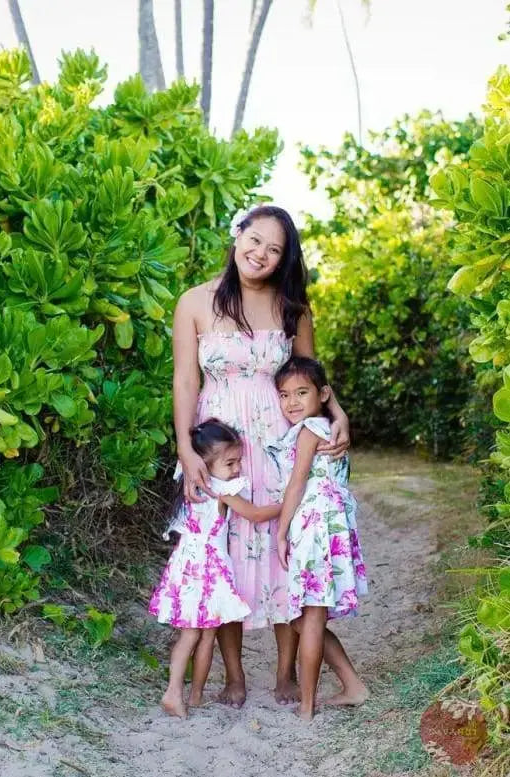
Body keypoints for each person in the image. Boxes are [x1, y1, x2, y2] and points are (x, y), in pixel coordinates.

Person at [172, 204, 350, 707]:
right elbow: (185, 380)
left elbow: (311, 375)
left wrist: (340, 416)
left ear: (282, 259)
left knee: (284, 549)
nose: (261, 255)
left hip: (280, 446)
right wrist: (186, 449)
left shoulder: (292, 306)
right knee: (223, 554)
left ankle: (286, 672)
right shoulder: (194, 303)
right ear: (238, 237)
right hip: (220, 445)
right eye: (256, 241)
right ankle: (233, 676)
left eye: (274, 250)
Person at [148, 419, 280, 719]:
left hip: (185, 565)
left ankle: (185, 694)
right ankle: (183, 694)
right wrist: (288, 504)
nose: (236, 469)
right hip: (208, 569)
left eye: (238, 462)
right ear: (206, 462)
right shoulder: (221, 489)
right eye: (231, 462)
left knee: (194, 636)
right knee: (200, 636)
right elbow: (256, 514)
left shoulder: (188, 479)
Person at [271, 356, 369, 720]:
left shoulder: (311, 430)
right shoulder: (330, 427)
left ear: (323, 393)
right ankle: (352, 685)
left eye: (301, 392)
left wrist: (281, 533)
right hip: (331, 527)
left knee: (309, 618)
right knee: (307, 618)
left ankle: (307, 705)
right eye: (284, 395)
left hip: (313, 527)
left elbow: (297, 483)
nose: (292, 402)